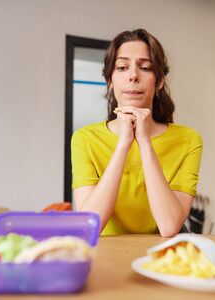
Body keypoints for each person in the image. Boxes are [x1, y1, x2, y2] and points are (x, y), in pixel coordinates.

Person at [71, 29, 202, 237]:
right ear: (110, 80)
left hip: (159, 258)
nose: (133, 76)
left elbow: (169, 226)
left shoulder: (188, 140)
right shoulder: (84, 139)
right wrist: (124, 143)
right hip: (105, 255)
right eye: (122, 67)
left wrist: (144, 142)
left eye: (145, 67)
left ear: (159, 81)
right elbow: (90, 225)